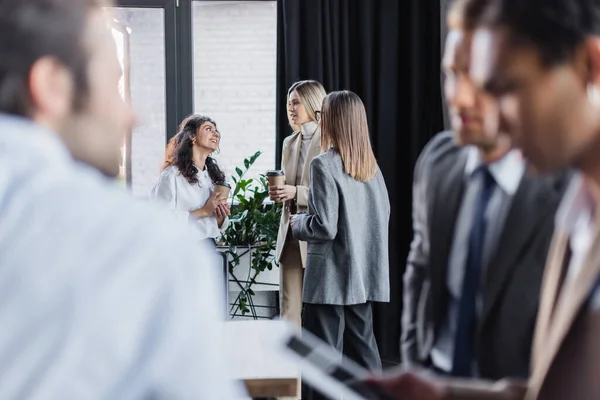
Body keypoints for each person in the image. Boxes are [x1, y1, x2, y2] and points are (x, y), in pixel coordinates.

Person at [0, 0, 244, 398]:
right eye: (114, 85)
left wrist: (217, 215)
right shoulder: (146, 247)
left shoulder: (212, 180)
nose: (132, 116)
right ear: (51, 85)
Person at [370, 0, 600, 398]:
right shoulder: (579, 212)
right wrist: (440, 394)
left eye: (507, 89)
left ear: (589, 66)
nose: (496, 118)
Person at [401, 0, 570, 381]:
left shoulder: (567, 184)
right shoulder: (438, 162)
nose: (458, 97)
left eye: (476, 78)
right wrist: (416, 364)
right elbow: (420, 269)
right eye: (450, 74)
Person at [291, 90, 390, 400]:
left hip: (330, 278)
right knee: (365, 356)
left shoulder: (323, 165)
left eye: (322, 115)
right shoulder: (371, 167)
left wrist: (296, 223)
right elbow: (381, 217)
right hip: (363, 275)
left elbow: (324, 226)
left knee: (321, 359)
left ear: (332, 120)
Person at [271, 80, 327, 329]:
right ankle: (289, 369)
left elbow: (333, 191)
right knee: (288, 310)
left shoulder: (329, 139)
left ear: (313, 102)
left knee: (320, 313)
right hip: (291, 233)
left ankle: (316, 367)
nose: (291, 108)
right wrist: (279, 193)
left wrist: (296, 192)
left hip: (318, 234)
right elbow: (287, 184)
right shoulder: (288, 142)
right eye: (289, 102)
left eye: (296, 102)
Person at [150, 114, 231, 244]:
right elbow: (160, 219)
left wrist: (220, 217)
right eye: (208, 129)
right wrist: (204, 211)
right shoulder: (171, 175)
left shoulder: (212, 176)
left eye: (216, 131)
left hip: (209, 247)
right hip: (181, 248)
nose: (216, 134)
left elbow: (216, 226)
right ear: (192, 136)